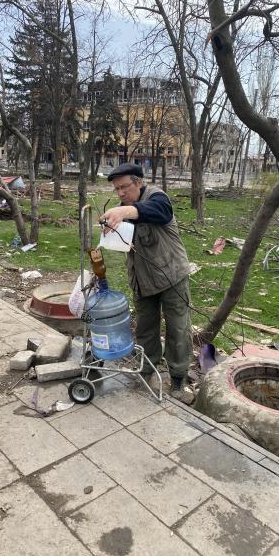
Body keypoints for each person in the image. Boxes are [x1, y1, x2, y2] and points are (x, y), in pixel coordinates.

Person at [100, 162, 193, 398]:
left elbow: (159, 212)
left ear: (139, 183)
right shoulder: (123, 211)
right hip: (142, 280)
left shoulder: (158, 198)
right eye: (117, 189)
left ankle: (178, 377)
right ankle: (147, 368)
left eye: (124, 187)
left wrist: (123, 212)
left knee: (178, 329)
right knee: (145, 328)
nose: (121, 193)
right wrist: (111, 234)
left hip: (172, 276)